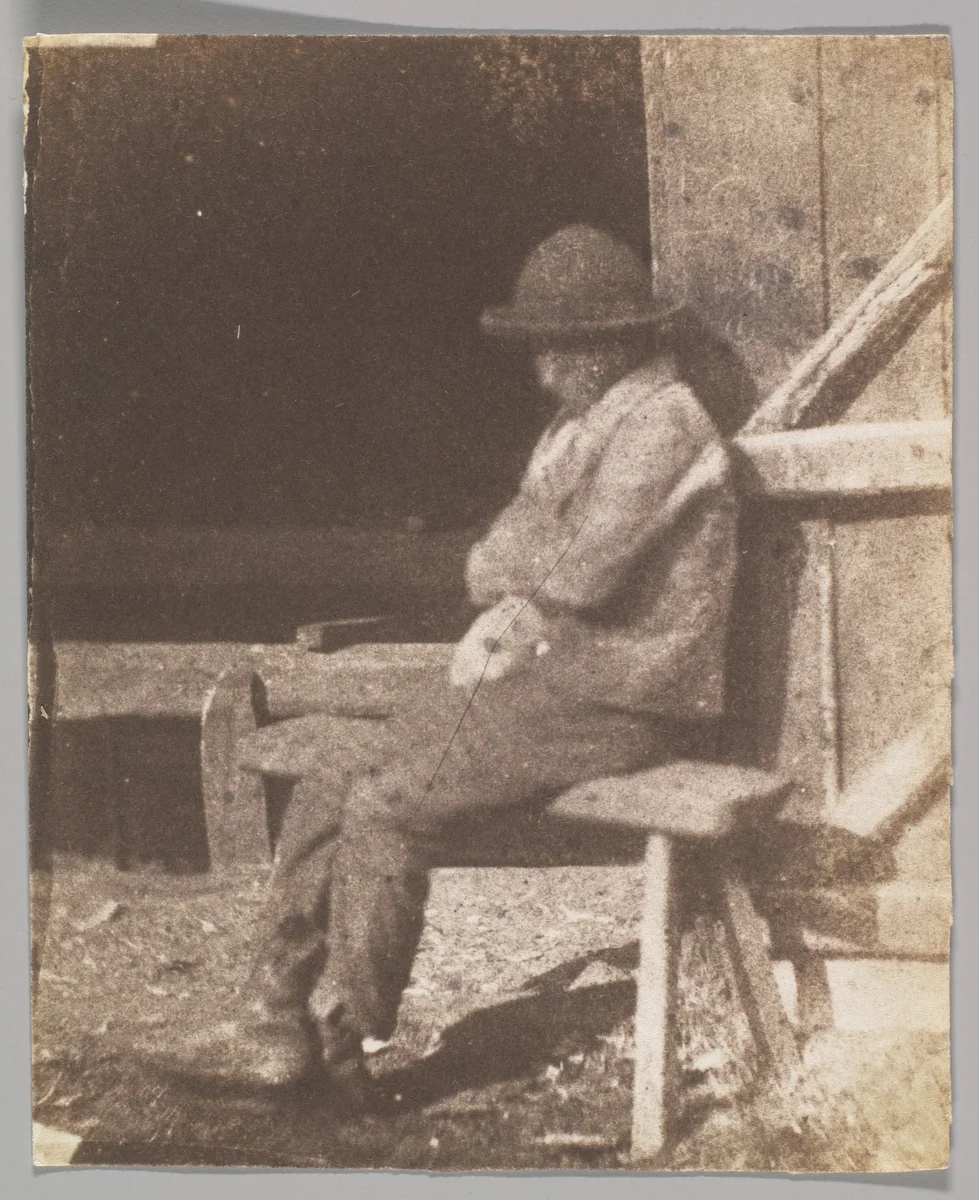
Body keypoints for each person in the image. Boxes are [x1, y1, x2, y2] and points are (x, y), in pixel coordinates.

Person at [187, 225, 739, 1104]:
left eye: (556, 348)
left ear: (608, 343)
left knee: (390, 802)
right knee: (334, 770)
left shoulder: (664, 423)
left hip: (628, 697)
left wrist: (517, 585)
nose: (542, 370)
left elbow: (580, 571)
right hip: (556, 684)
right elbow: (504, 550)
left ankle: (342, 1037)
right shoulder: (581, 425)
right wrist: (516, 585)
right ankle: (270, 1019)